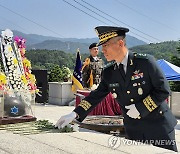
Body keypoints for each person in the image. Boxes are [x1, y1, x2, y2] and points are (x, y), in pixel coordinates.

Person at [55, 26, 178, 152]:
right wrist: (75, 113)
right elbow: (96, 96)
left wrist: (141, 108)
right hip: (133, 130)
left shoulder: (145, 62)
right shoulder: (109, 72)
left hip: (158, 128)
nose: (103, 50)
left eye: (106, 45)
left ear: (120, 43)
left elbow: (163, 90)